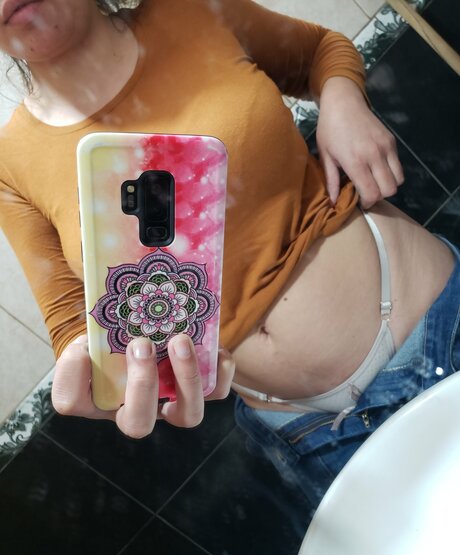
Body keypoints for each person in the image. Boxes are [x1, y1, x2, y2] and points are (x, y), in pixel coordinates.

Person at [0, 0, 458, 512]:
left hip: (438, 320)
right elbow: (71, 325)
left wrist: (343, 100)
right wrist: (98, 375)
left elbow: (320, 51)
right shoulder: (11, 165)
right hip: (313, 430)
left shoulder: (192, 10)